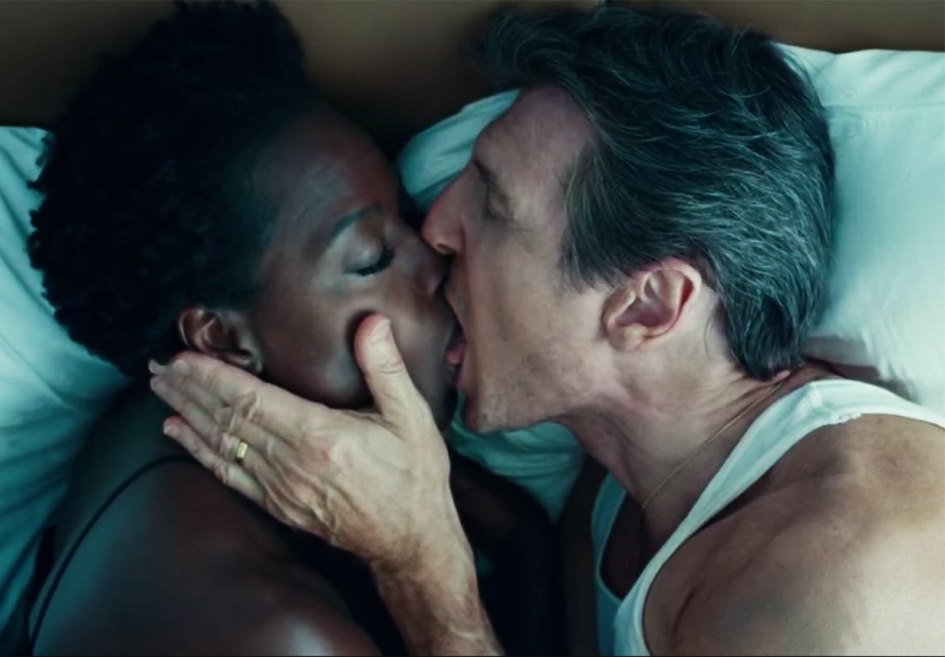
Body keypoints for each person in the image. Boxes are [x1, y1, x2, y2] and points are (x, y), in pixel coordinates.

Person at [151, 3, 945, 655]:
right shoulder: (615, 490)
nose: (436, 228)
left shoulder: (840, 576)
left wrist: (424, 565)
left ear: (647, 306)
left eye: (492, 205)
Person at [25, 2, 558, 654]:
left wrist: (470, 514)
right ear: (222, 340)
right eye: (372, 257)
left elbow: (521, 535)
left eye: (405, 216)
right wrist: (422, 561)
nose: (432, 260)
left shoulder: (163, 410)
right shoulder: (284, 635)